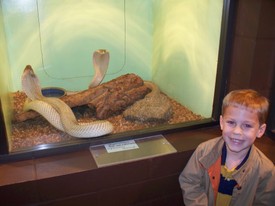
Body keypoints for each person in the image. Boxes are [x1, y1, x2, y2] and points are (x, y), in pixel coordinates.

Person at [179, 89, 275, 206]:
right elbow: (189, 181)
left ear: (260, 131)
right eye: (231, 122)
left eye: (247, 125)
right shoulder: (203, 151)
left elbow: (265, 202)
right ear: (221, 123)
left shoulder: (267, 170)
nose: (237, 131)